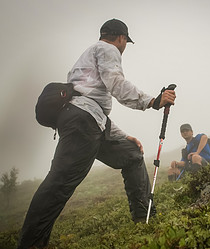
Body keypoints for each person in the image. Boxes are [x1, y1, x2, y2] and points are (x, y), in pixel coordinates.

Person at [17, 18, 176, 249]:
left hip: (88, 121)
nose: (124, 47)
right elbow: (116, 83)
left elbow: (93, 104)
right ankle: (30, 244)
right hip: (82, 123)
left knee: (131, 154)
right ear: (121, 38)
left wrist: (122, 136)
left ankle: (144, 220)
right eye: (125, 42)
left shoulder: (88, 58)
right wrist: (152, 101)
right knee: (60, 183)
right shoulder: (107, 49)